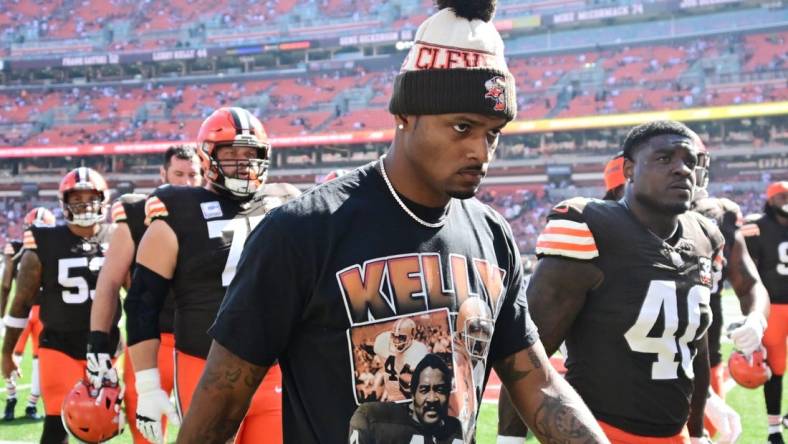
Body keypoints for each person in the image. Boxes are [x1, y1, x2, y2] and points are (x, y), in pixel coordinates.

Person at [177, 2, 607, 443]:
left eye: (492, 133)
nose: (481, 152)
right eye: (462, 127)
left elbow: (539, 387)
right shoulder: (304, 229)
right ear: (405, 115)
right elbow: (222, 400)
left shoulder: (492, 236)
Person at [529, 120, 725, 443]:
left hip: (675, 434)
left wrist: (698, 430)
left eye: (689, 161)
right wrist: (506, 438)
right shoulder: (589, 225)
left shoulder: (704, 236)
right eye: (665, 159)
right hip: (596, 431)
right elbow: (527, 354)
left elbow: (695, 343)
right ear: (629, 170)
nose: (682, 170)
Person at [124, 107, 298, 444]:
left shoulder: (285, 203)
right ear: (208, 156)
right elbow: (143, 301)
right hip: (203, 367)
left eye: (251, 154)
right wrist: (146, 384)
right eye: (231, 153)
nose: (242, 162)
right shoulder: (178, 209)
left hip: (273, 369)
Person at [87, 145, 202, 444]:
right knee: (147, 437)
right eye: (179, 174)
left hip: (204, 342)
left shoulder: (215, 210)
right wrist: (99, 341)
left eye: (193, 175)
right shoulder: (137, 213)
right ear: (162, 174)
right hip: (151, 344)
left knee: (209, 432)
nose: (186, 182)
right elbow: (109, 281)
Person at [1, 167, 118, 443]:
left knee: (101, 424)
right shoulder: (44, 241)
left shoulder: (118, 237)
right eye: (77, 199)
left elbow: (137, 296)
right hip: (59, 346)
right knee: (57, 422)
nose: (85, 204)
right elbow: (21, 304)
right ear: (64, 203)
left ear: (104, 199)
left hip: (107, 347)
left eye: (91, 198)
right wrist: (7, 352)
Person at [742, 181, 788, 444]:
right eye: (781, 196)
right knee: (775, 368)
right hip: (774, 307)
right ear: (770, 200)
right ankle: (773, 429)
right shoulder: (756, 226)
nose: (786, 199)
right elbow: (748, 271)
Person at [2, 207, 56, 421]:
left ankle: (18, 402)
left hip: (28, 312)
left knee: (22, 357)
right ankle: (24, 403)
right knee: (29, 358)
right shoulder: (52, 249)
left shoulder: (17, 249)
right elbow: (5, 285)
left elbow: (6, 286)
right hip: (34, 314)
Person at [349, 354, 462, 443]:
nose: (432, 399)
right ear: (412, 393)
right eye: (424, 390)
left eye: (440, 390)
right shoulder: (373, 419)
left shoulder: (457, 431)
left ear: (448, 393)